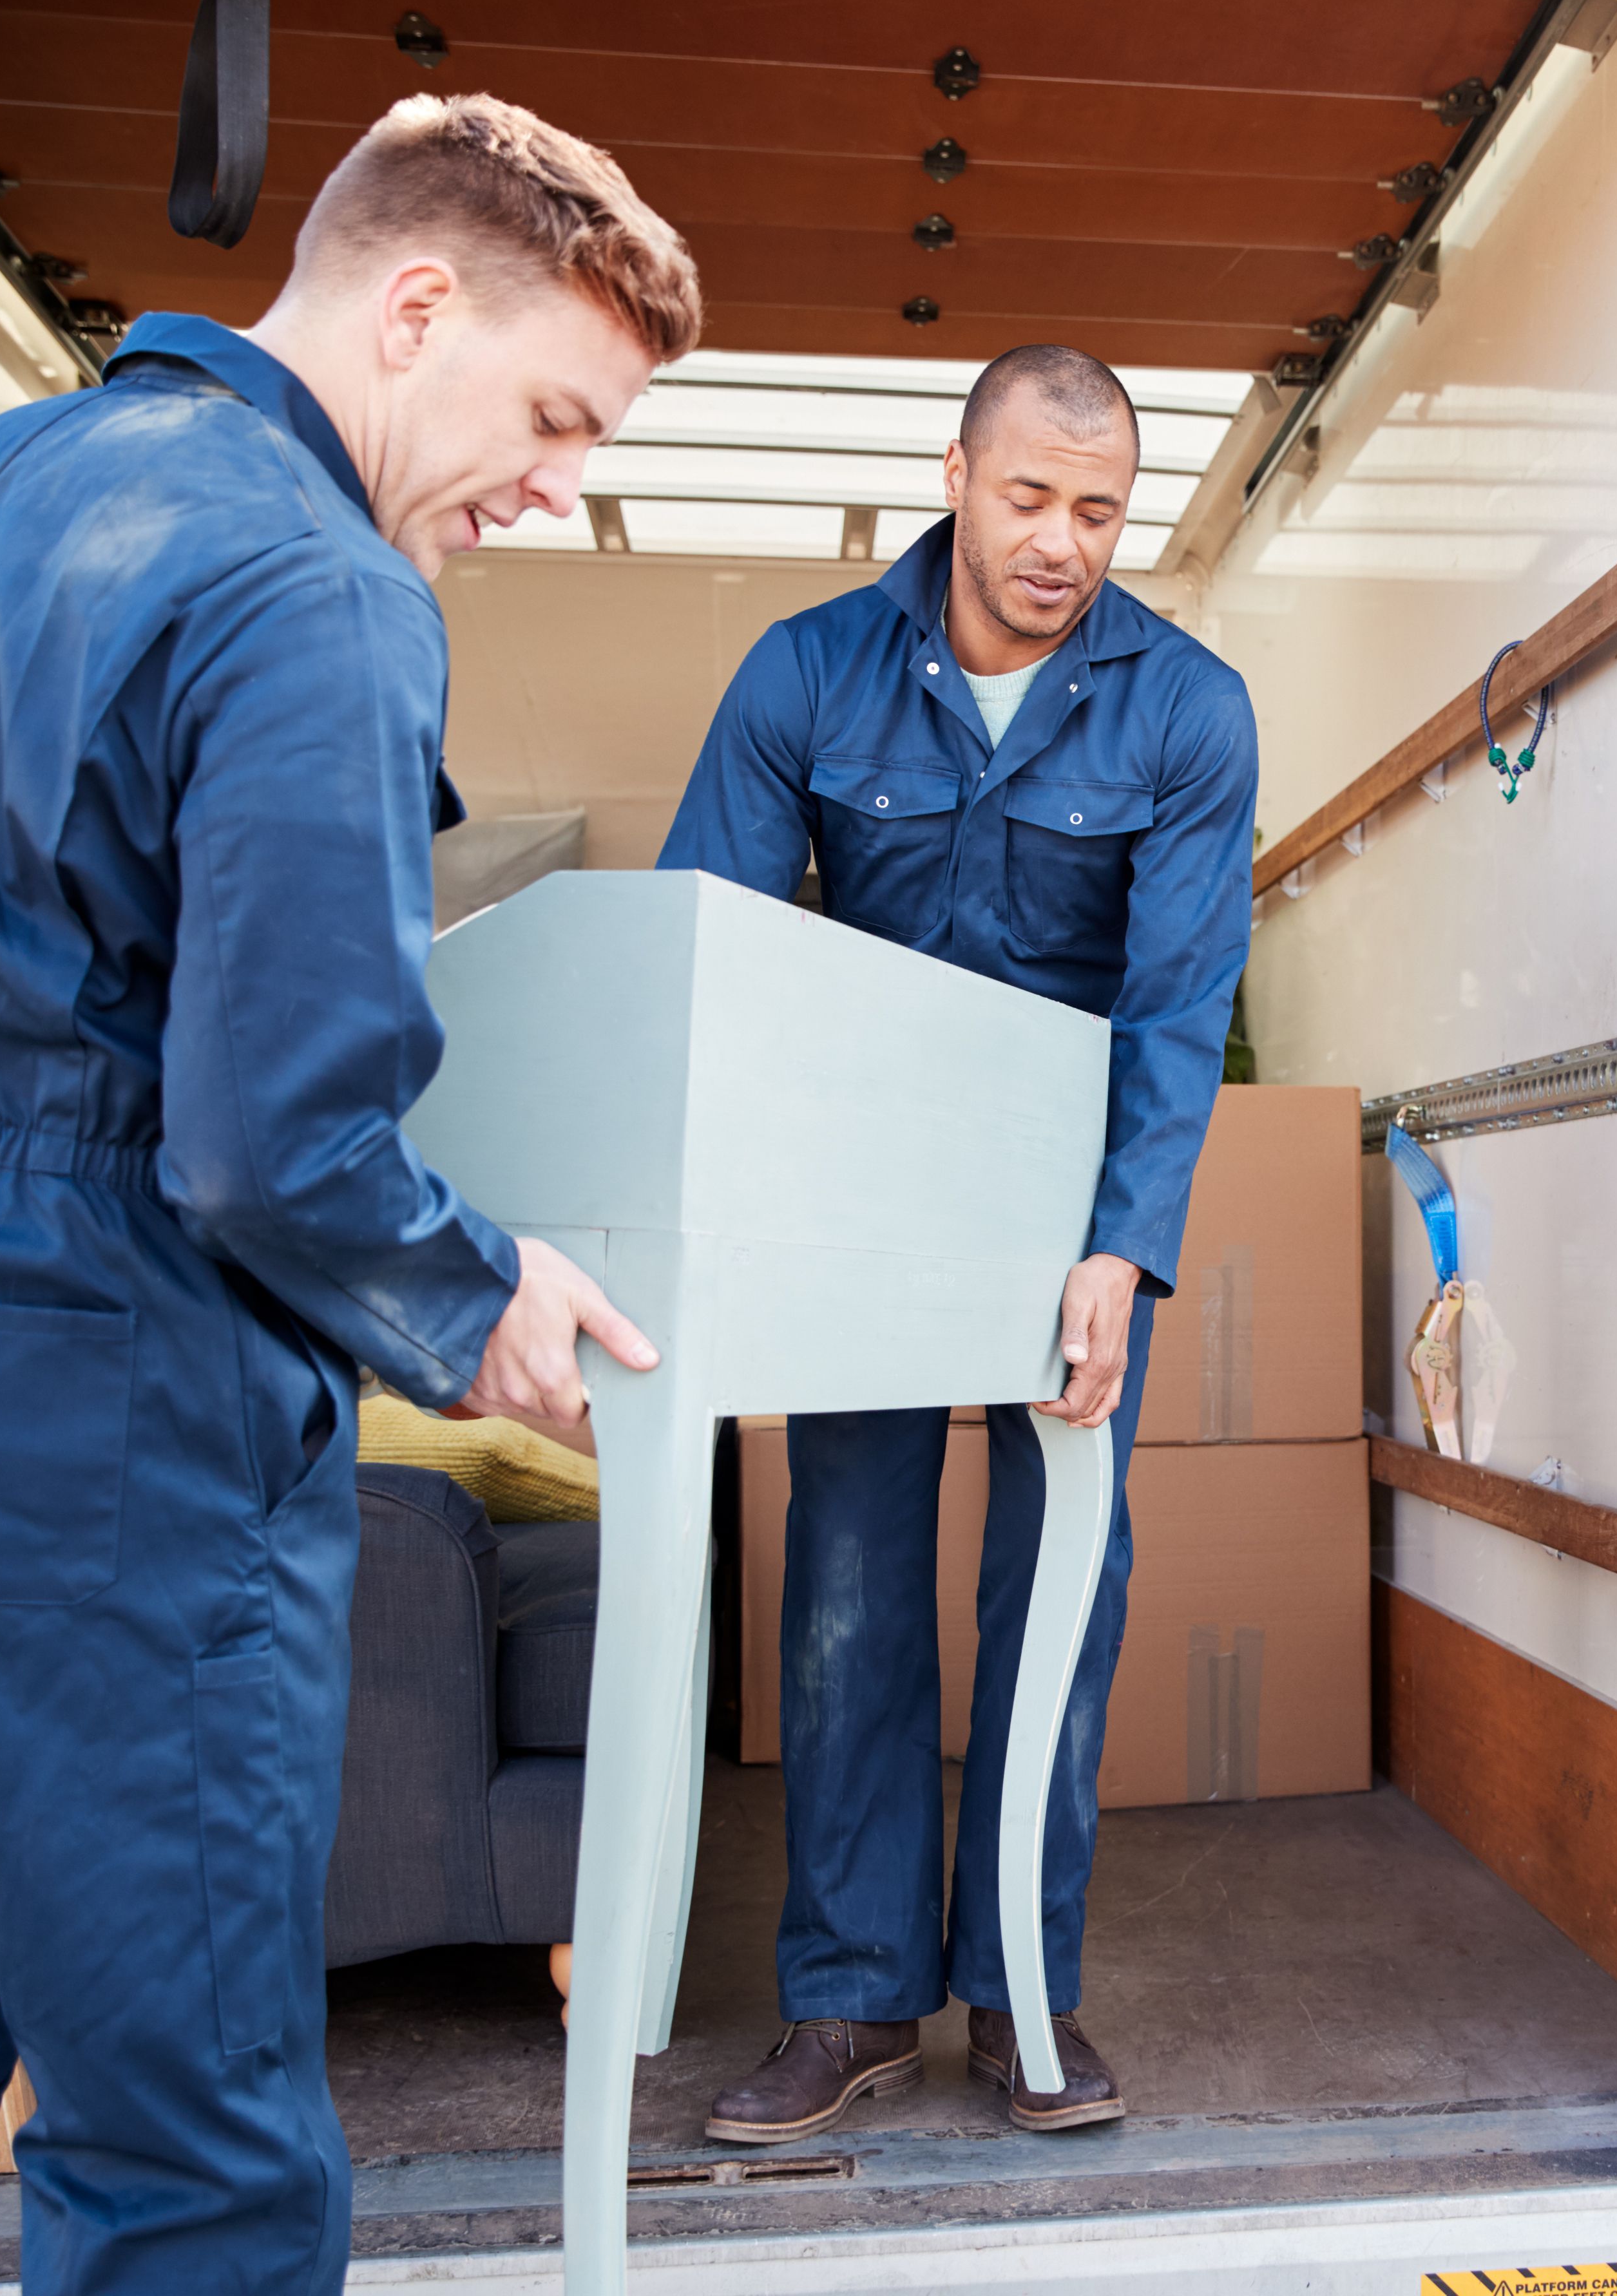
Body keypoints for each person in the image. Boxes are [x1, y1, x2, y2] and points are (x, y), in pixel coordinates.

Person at [0, 96, 700, 2294]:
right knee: (191, 2158)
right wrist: (486, 1297)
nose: (557, 482)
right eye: (552, 413)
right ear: (412, 305)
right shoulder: (317, 588)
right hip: (65, 1431)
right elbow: (279, 1142)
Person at [660, 345, 1257, 2139]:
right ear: (956, 472)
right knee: (845, 1588)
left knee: (1058, 1601)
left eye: (1098, 507)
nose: (1062, 540)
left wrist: (1121, 1253)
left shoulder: (1187, 708)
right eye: (1028, 496)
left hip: (1067, 1217)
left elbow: (1177, 1007)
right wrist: (746, 1217)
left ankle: (1017, 1990)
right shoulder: (807, 675)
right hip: (859, 1203)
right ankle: (850, 2003)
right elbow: (724, 958)